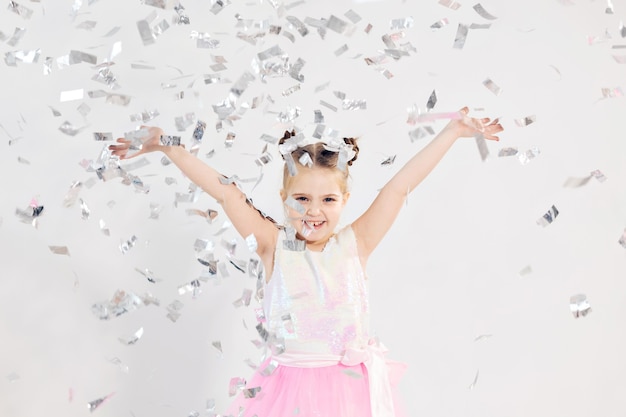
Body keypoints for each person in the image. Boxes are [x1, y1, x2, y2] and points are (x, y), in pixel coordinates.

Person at [110, 107, 503, 417]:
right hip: (285, 396)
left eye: (328, 200)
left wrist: (451, 132)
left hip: (350, 396)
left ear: (344, 200)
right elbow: (227, 194)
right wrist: (168, 144)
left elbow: (399, 187)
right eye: (302, 198)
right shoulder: (274, 245)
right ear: (284, 196)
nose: (314, 211)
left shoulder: (355, 244)